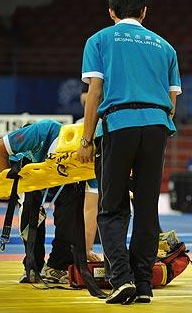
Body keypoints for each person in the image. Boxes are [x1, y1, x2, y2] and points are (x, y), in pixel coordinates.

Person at [77, 0, 181, 305]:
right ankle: (144, 284)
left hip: (118, 125)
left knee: (112, 207)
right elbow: (172, 101)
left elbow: (94, 93)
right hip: (156, 126)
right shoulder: (166, 47)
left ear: (110, 12)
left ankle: (121, 280)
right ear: (144, 12)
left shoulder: (98, 40)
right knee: (147, 209)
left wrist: (86, 139)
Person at [0, 119, 77, 283]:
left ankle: (59, 265)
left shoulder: (76, 152)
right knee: (30, 204)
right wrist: (10, 186)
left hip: (61, 169)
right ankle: (33, 264)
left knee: (74, 198)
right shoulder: (40, 131)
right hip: (28, 171)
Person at [77, 83, 101, 262]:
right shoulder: (77, 125)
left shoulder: (105, 123)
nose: (88, 96)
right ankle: (84, 250)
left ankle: (87, 249)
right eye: (85, 92)